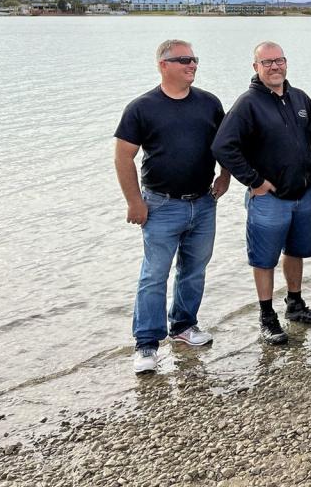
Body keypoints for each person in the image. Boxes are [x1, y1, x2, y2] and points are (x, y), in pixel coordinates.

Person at [114, 39, 230, 375]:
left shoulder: (209, 103)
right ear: (163, 64)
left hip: (204, 203)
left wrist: (224, 177)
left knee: (194, 270)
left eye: (194, 59)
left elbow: (226, 143)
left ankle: (184, 326)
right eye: (184, 60)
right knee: (154, 276)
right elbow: (123, 156)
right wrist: (134, 202)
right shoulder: (142, 107)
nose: (192, 65)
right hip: (161, 206)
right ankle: (146, 344)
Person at [212, 41, 311, 346]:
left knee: (296, 251)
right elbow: (223, 145)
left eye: (279, 61)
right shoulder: (248, 103)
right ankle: (267, 316)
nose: (274, 67)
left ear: (286, 63)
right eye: (267, 63)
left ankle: (295, 305)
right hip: (269, 198)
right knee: (264, 259)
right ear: (256, 68)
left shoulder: (299, 98)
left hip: (302, 194)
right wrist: (253, 180)